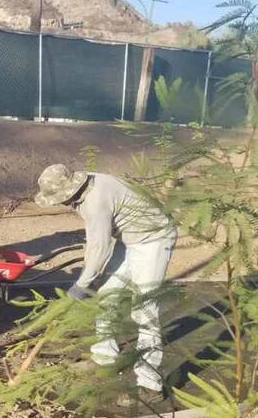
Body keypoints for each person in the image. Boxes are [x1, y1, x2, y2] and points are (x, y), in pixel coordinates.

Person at [34, 164, 177, 404]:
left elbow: (99, 248)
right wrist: (90, 278)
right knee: (107, 295)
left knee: (144, 309)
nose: (63, 203)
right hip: (129, 238)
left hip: (153, 238)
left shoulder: (95, 200)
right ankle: (104, 356)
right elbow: (96, 244)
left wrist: (81, 285)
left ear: (71, 190)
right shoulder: (90, 184)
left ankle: (150, 385)